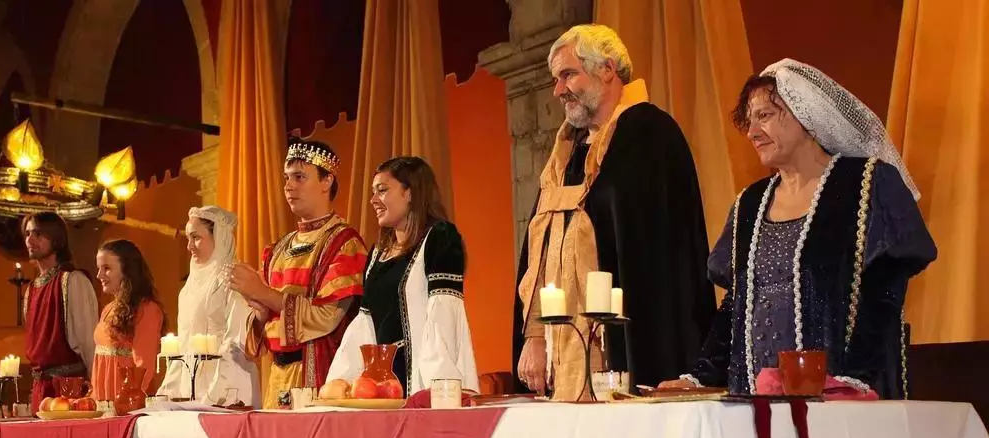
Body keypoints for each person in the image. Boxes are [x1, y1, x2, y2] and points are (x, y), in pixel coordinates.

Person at [659, 59, 937, 398]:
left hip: (841, 399)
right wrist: (699, 377)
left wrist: (852, 381)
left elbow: (884, 296)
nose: (752, 132)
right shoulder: (750, 203)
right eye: (749, 120)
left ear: (805, 113)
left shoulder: (865, 184)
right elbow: (735, 307)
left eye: (764, 116)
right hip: (756, 400)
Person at [514, 24, 716, 401]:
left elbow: (660, 266)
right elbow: (540, 253)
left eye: (568, 74)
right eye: (556, 79)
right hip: (563, 351)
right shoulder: (565, 156)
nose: (558, 90)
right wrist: (536, 334)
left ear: (607, 69)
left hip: (629, 348)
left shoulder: (649, 135)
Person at [229, 138, 368, 409]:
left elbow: (326, 317)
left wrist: (264, 294)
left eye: (300, 177)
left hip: (319, 378)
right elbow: (262, 332)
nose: (289, 186)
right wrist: (259, 312)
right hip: (276, 380)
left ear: (327, 181)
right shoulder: (277, 249)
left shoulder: (344, 244)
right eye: (287, 178)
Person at [326, 156, 478, 394]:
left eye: (382, 190)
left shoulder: (440, 237)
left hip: (422, 380)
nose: (373, 200)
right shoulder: (377, 253)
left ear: (410, 193)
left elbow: (443, 316)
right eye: (373, 192)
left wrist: (437, 387)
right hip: (384, 386)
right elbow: (365, 324)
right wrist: (343, 380)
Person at [157, 206, 258, 406]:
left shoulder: (235, 280)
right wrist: (168, 392)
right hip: (191, 389)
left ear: (218, 238)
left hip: (228, 388)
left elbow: (235, 344)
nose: (189, 246)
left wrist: (213, 396)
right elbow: (183, 345)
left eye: (196, 237)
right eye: (188, 238)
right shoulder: (188, 289)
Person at [21, 212, 98, 412]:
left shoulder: (72, 281)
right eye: (27, 234)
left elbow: (88, 341)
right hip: (41, 389)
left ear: (56, 238)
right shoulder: (31, 290)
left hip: (70, 389)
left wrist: (96, 388)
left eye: (38, 234)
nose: (30, 240)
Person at [92, 239, 165, 402]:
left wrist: (130, 402)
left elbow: (144, 366)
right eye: (99, 268)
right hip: (103, 402)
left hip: (127, 402)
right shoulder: (108, 309)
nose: (99, 275)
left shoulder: (147, 309)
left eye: (107, 268)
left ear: (127, 270)